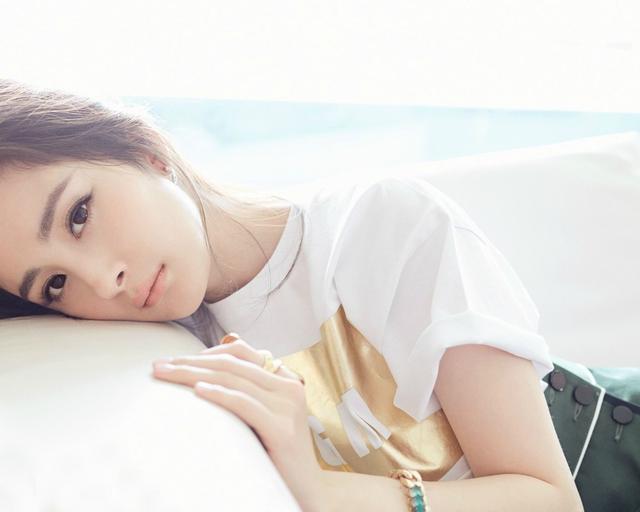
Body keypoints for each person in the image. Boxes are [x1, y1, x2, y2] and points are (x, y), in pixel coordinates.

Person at [0, 78, 585, 512]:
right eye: (55, 284)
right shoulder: (166, 355)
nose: (103, 282)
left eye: (79, 215)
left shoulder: (383, 225)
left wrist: (324, 493)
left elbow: (551, 498)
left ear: (143, 150)